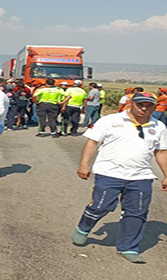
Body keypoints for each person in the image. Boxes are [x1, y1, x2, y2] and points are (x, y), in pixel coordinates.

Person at [71, 93, 167, 263]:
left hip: (141, 176)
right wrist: (84, 164)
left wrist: (166, 175)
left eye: (149, 105)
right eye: (140, 104)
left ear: (154, 106)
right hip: (109, 173)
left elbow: (161, 152)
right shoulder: (110, 121)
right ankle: (84, 227)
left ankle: (128, 247)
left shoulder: (159, 126)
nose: (144, 108)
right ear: (131, 104)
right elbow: (92, 142)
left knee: (137, 212)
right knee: (102, 206)